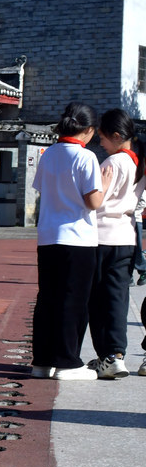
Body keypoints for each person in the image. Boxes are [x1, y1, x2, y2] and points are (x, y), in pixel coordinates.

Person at [31, 103, 106, 381]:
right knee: (73, 301)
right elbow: (93, 201)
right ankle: (67, 361)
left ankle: (42, 360)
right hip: (78, 238)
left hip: (48, 236)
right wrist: (105, 188)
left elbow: (41, 190)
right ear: (89, 130)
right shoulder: (86, 157)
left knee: (47, 298)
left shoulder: (48, 154)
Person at [88, 109, 143, 378]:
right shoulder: (138, 164)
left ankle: (106, 356)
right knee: (118, 298)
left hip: (100, 236)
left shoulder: (112, 163)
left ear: (117, 136)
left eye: (103, 138)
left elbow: (96, 199)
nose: (100, 143)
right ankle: (117, 354)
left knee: (97, 300)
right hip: (126, 236)